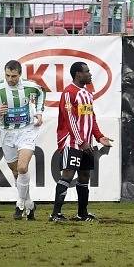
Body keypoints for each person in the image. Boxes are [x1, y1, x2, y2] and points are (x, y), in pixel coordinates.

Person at [50, 62, 113, 222]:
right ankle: (55, 214)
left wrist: (99, 137)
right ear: (78, 74)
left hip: (86, 143)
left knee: (85, 176)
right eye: (87, 71)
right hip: (72, 143)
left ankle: (82, 213)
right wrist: (81, 142)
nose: (90, 74)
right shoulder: (69, 93)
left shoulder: (87, 94)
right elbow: (69, 119)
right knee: (68, 175)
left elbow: (91, 118)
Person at [0, 60, 45, 220]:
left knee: (22, 167)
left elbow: (41, 95)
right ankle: (29, 204)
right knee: (15, 172)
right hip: (7, 133)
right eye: (7, 75)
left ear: (20, 74)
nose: (10, 79)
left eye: (14, 76)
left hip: (27, 130)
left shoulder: (31, 86)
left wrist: (39, 113)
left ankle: (19, 203)